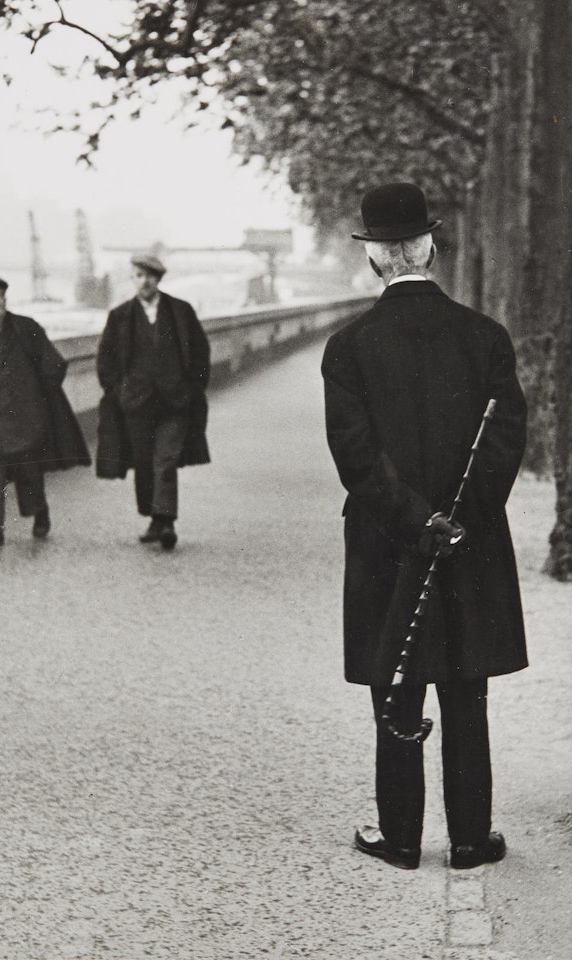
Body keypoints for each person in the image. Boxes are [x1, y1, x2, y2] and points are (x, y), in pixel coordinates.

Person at [321, 183, 528, 870]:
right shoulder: (487, 337)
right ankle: (470, 839)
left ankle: (402, 837)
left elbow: (357, 458)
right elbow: (505, 443)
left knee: (396, 683)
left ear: (375, 255)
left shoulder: (348, 347)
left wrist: (419, 522)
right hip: (473, 540)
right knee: (467, 686)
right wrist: (458, 522)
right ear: (430, 247)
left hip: (386, 539)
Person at [0, 276, 90, 548]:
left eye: (1, 296)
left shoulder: (26, 328)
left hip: (26, 418)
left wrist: (37, 398)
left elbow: (54, 364)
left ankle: (40, 513)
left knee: (29, 471)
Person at [96, 254, 210, 550]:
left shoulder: (181, 311)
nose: (144, 281)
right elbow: (105, 359)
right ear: (132, 279)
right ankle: (154, 519)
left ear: (158, 279)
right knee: (144, 461)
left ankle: (167, 521)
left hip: (174, 401)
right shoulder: (120, 316)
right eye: (138, 275)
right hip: (136, 404)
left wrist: (192, 389)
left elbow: (200, 352)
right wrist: (119, 392)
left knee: (166, 460)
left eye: (149, 276)